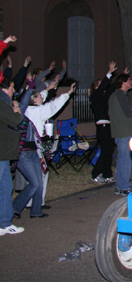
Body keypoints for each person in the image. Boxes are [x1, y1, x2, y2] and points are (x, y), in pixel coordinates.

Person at [13, 81, 75, 219]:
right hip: (26, 153)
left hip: (34, 151)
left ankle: (36, 210)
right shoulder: (35, 111)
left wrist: (47, 89)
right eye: (39, 97)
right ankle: (16, 207)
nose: (42, 97)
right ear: (33, 100)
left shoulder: (30, 109)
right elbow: (53, 106)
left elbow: (41, 96)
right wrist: (67, 94)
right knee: (35, 182)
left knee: (39, 180)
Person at [0, 41, 25, 235]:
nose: (13, 91)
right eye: (12, 88)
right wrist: (16, 110)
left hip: (4, 153)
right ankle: (4, 222)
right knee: (4, 187)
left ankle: (4, 222)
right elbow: (16, 120)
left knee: (6, 186)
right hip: (1, 153)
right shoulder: (3, 103)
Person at [108, 74, 132, 196]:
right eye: (129, 80)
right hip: (124, 132)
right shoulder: (120, 95)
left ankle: (120, 186)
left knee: (122, 160)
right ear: (123, 82)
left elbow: (118, 113)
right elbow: (128, 112)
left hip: (119, 132)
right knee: (126, 160)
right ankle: (124, 187)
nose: (131, 82)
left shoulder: (114, 96)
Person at [90, 62, 118, 184]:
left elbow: (110, 88)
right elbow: (103, 87)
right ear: (96, 87)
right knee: (106, 150)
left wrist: (121, 78)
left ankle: (107, 174)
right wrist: (109, 73)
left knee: (109, 149)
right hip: (102, 126)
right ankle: (95, 173)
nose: (103, 87)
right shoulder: (95, 95)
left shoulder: (103, 96)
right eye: (100, 84)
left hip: (108, 125)